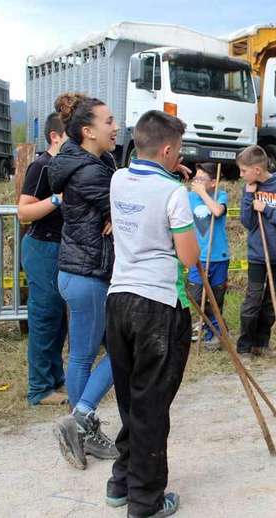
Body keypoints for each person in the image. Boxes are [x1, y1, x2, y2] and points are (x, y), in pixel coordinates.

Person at [105, 110, 199, 517]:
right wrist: (181, 187)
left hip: (119, 298)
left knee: (131, 400)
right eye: (176, 149)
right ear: (167, 149)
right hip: (158, 305)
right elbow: (189, 257)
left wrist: (169, 174)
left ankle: (121, 482)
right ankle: (146, 501)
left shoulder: (118, 178)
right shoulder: (174, 193)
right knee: (152, 406)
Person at [48, 92, 119, 469]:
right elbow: (124, 209)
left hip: (81, 272)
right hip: (88, 274)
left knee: (90, 354)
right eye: (108, 122)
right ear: (88, 131)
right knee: (106, 354)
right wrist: (116, 215)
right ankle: (81, 424)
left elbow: (117, 210)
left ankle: (82, 427)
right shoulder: (91, 171)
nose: (116, 127)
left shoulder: (97, 161)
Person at [17, 112, 67, 406]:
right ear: (55, 137)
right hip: (42, 248)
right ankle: (39, 389)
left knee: (58, 320)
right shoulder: (41, 166)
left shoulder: (63, 166)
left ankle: (55, 380)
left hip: (59, 248)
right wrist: (57, 199)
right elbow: (23, 211)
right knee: (44, 319)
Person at [235, 145, 276, 356]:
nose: (241, 175)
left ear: (257, 170)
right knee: (252, 300)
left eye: (244, 171)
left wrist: (267, 209)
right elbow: (247, 222)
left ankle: (262, 344)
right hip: (258, 255)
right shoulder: (250, 188)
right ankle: (244, 346)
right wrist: (248, 198)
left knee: (272, 302)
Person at [186, 162, 229, 351]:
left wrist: (203, 193)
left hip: (218, 256)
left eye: (201, 179)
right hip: (197, 256)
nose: (197, 182)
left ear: (213, 182)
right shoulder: (188, 198)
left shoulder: (220, 195)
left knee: (216, 298)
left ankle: (216, 334)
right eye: (196, 178)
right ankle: (216, 327)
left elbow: (218, 211)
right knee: (196, 295)